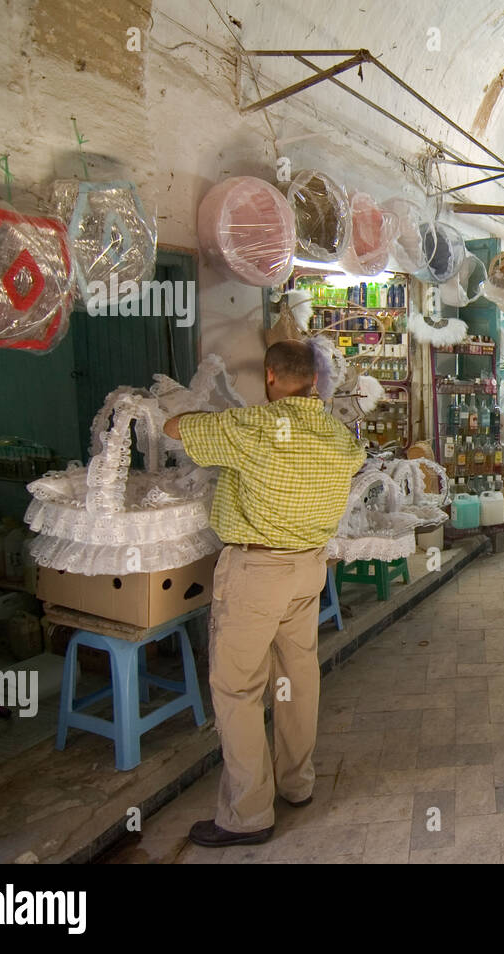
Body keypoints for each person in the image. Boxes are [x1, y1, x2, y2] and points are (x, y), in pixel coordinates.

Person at [163, 340, 364, 848]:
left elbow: (177, 430)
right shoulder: (338, 435)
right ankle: (296, 784)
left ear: (272, 378)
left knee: (238, 689)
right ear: (315, 382)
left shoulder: (251, 428)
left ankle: (248, 815)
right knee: (296, 679)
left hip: (257, 572)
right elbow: (355, 457)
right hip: (308, 571)